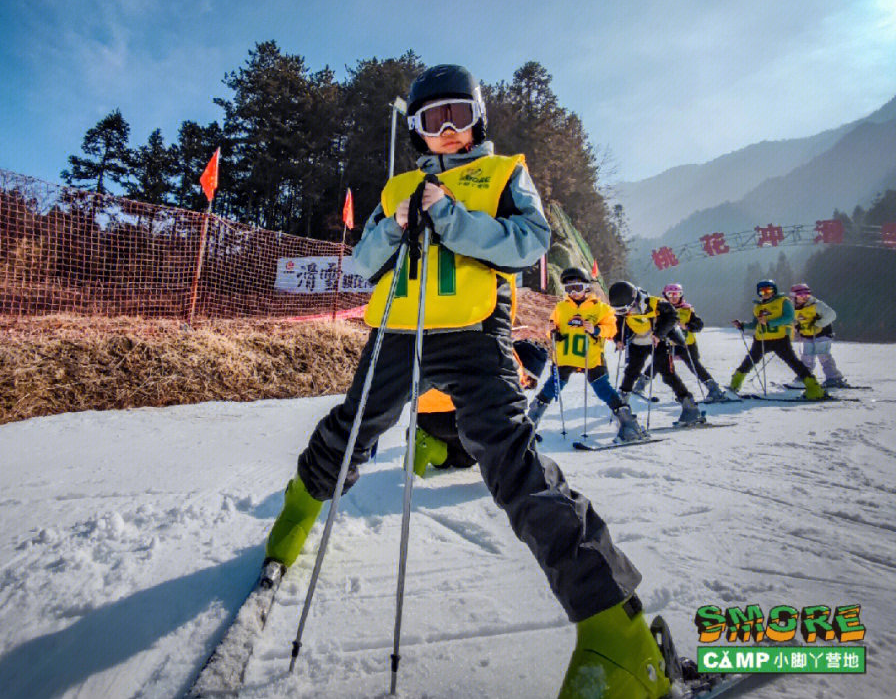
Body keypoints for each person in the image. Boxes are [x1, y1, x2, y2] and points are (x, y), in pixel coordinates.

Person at [264, 65, 670, 698]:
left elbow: (530, 244)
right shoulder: (398, 183)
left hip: (475, 331)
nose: (446, 130)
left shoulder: (505, 173)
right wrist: (395, 225)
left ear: (477, 116)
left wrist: (449, 216)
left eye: (457, 115)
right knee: (351, 432)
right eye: (432, 120)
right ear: (417, 128)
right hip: (399, 330)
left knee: (510, 459)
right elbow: (362, 262)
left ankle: (617, 631)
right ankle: (294, 516)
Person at [527, 267, 648, 441]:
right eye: (569, 289)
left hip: (590, 357)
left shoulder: (600, 308)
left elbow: (612, 330)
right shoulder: (561, 307)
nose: (573, 293)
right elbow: (551, 329)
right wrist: (552, 331)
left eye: (577, 287)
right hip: (565, 356)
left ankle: (628, 424)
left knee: (602, 388)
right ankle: (530, 422)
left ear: (586, 287)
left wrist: (596, 329)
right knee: (552, 387)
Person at [412, 339, 548, 476]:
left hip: (421, 414)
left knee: (463, 446)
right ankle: (428, 444)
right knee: (471, 455)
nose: (525, 385)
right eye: (528, 378)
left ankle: (427, 441)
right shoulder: (509, 369)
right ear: (522, 364)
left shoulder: (489, 347)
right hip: (448, 416)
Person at [607, 280, 702, 425]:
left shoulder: (655, 303)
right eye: (619, 311)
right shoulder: (622, 308)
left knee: (668, 374)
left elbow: (672, 317)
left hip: (657, 341)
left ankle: (690, 408)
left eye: (626, 309)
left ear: (633, 299)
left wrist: (659, 334)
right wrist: (617, 339)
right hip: (637, 342)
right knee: (631, 372)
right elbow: (618, 323)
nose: (625, 312)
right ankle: (621, 409)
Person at [728, 279, 825, 400]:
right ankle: (734, 386)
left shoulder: (783, 301)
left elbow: (789, 318)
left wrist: (770, 322)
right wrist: (742, 325)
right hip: (761, 340)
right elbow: (755, 324)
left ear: (774, 290)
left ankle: (814, 388)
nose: (766, 293)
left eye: (768, 290)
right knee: (748, 362)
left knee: (794, 363)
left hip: (780, 339)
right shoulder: (758, 306)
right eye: (762, 292)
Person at [660, 283, 733, 402]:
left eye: (677, 294)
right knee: (660, 365)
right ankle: (641, 385)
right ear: (665, 296)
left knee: (695, 367)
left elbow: (699, 325)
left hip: (686, 344)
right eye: (670, 294)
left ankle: (713, 389)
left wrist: (687, 326)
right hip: (667, 344)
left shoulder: (687, 309)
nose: (674, 297)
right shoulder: (661, 310)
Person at [789, 282, 847, 388]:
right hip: (807, 335)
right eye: (800, 295)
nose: (804, 297)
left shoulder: (816, 305)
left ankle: (834, 378)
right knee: (806, 357)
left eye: (807, 294)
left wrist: (818, 322)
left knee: (823, 355)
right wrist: (796, 326)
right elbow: (795, 320)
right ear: (794, 297)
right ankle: (805, 377)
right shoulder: (793, 308)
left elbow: (832, 315)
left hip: (822, 334)